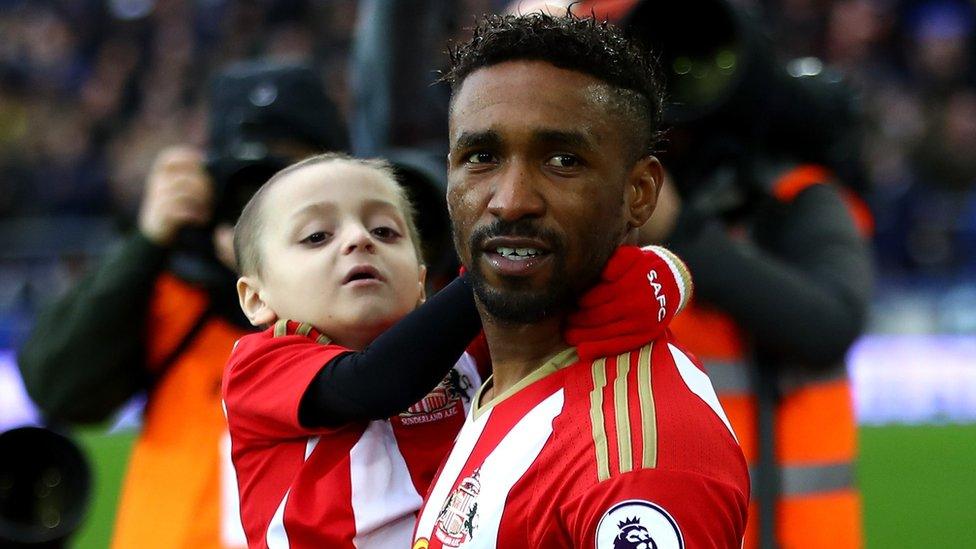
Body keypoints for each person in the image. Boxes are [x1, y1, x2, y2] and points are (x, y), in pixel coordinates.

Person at [222, 152, 687, 548]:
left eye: (385, 231)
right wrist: (493, 272)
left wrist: (659, 277)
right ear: (255, 298)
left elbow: (573, 295)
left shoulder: (468, 340)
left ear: (422, 281)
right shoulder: (259, 364)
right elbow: (375, 383)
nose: (358, 239)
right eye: (316, 236)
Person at [412, 12, 749, 549]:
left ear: (639, 193)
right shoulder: (473, 377)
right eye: (481, 157)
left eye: (562, 160)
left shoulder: (638, 461)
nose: (511, 200)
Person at [17, 60, 348, 549]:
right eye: (247, 180)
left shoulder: (368, 287)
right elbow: (57, 387)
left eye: (287, 176)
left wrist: (303, 261)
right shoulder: (172, 283)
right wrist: (148, 241)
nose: (264, 203)